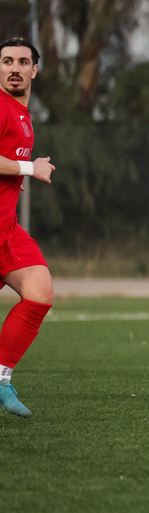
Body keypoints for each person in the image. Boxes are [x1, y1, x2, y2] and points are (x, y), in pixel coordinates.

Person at [0, 38, 56, 418]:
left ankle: (1, 379)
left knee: (39, 292)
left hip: (7, 231)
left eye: (22, 62)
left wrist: (21, 172)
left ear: (34, 70)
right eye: (7, 61)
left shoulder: (21, 114)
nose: (14, 68)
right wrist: (28, 168)